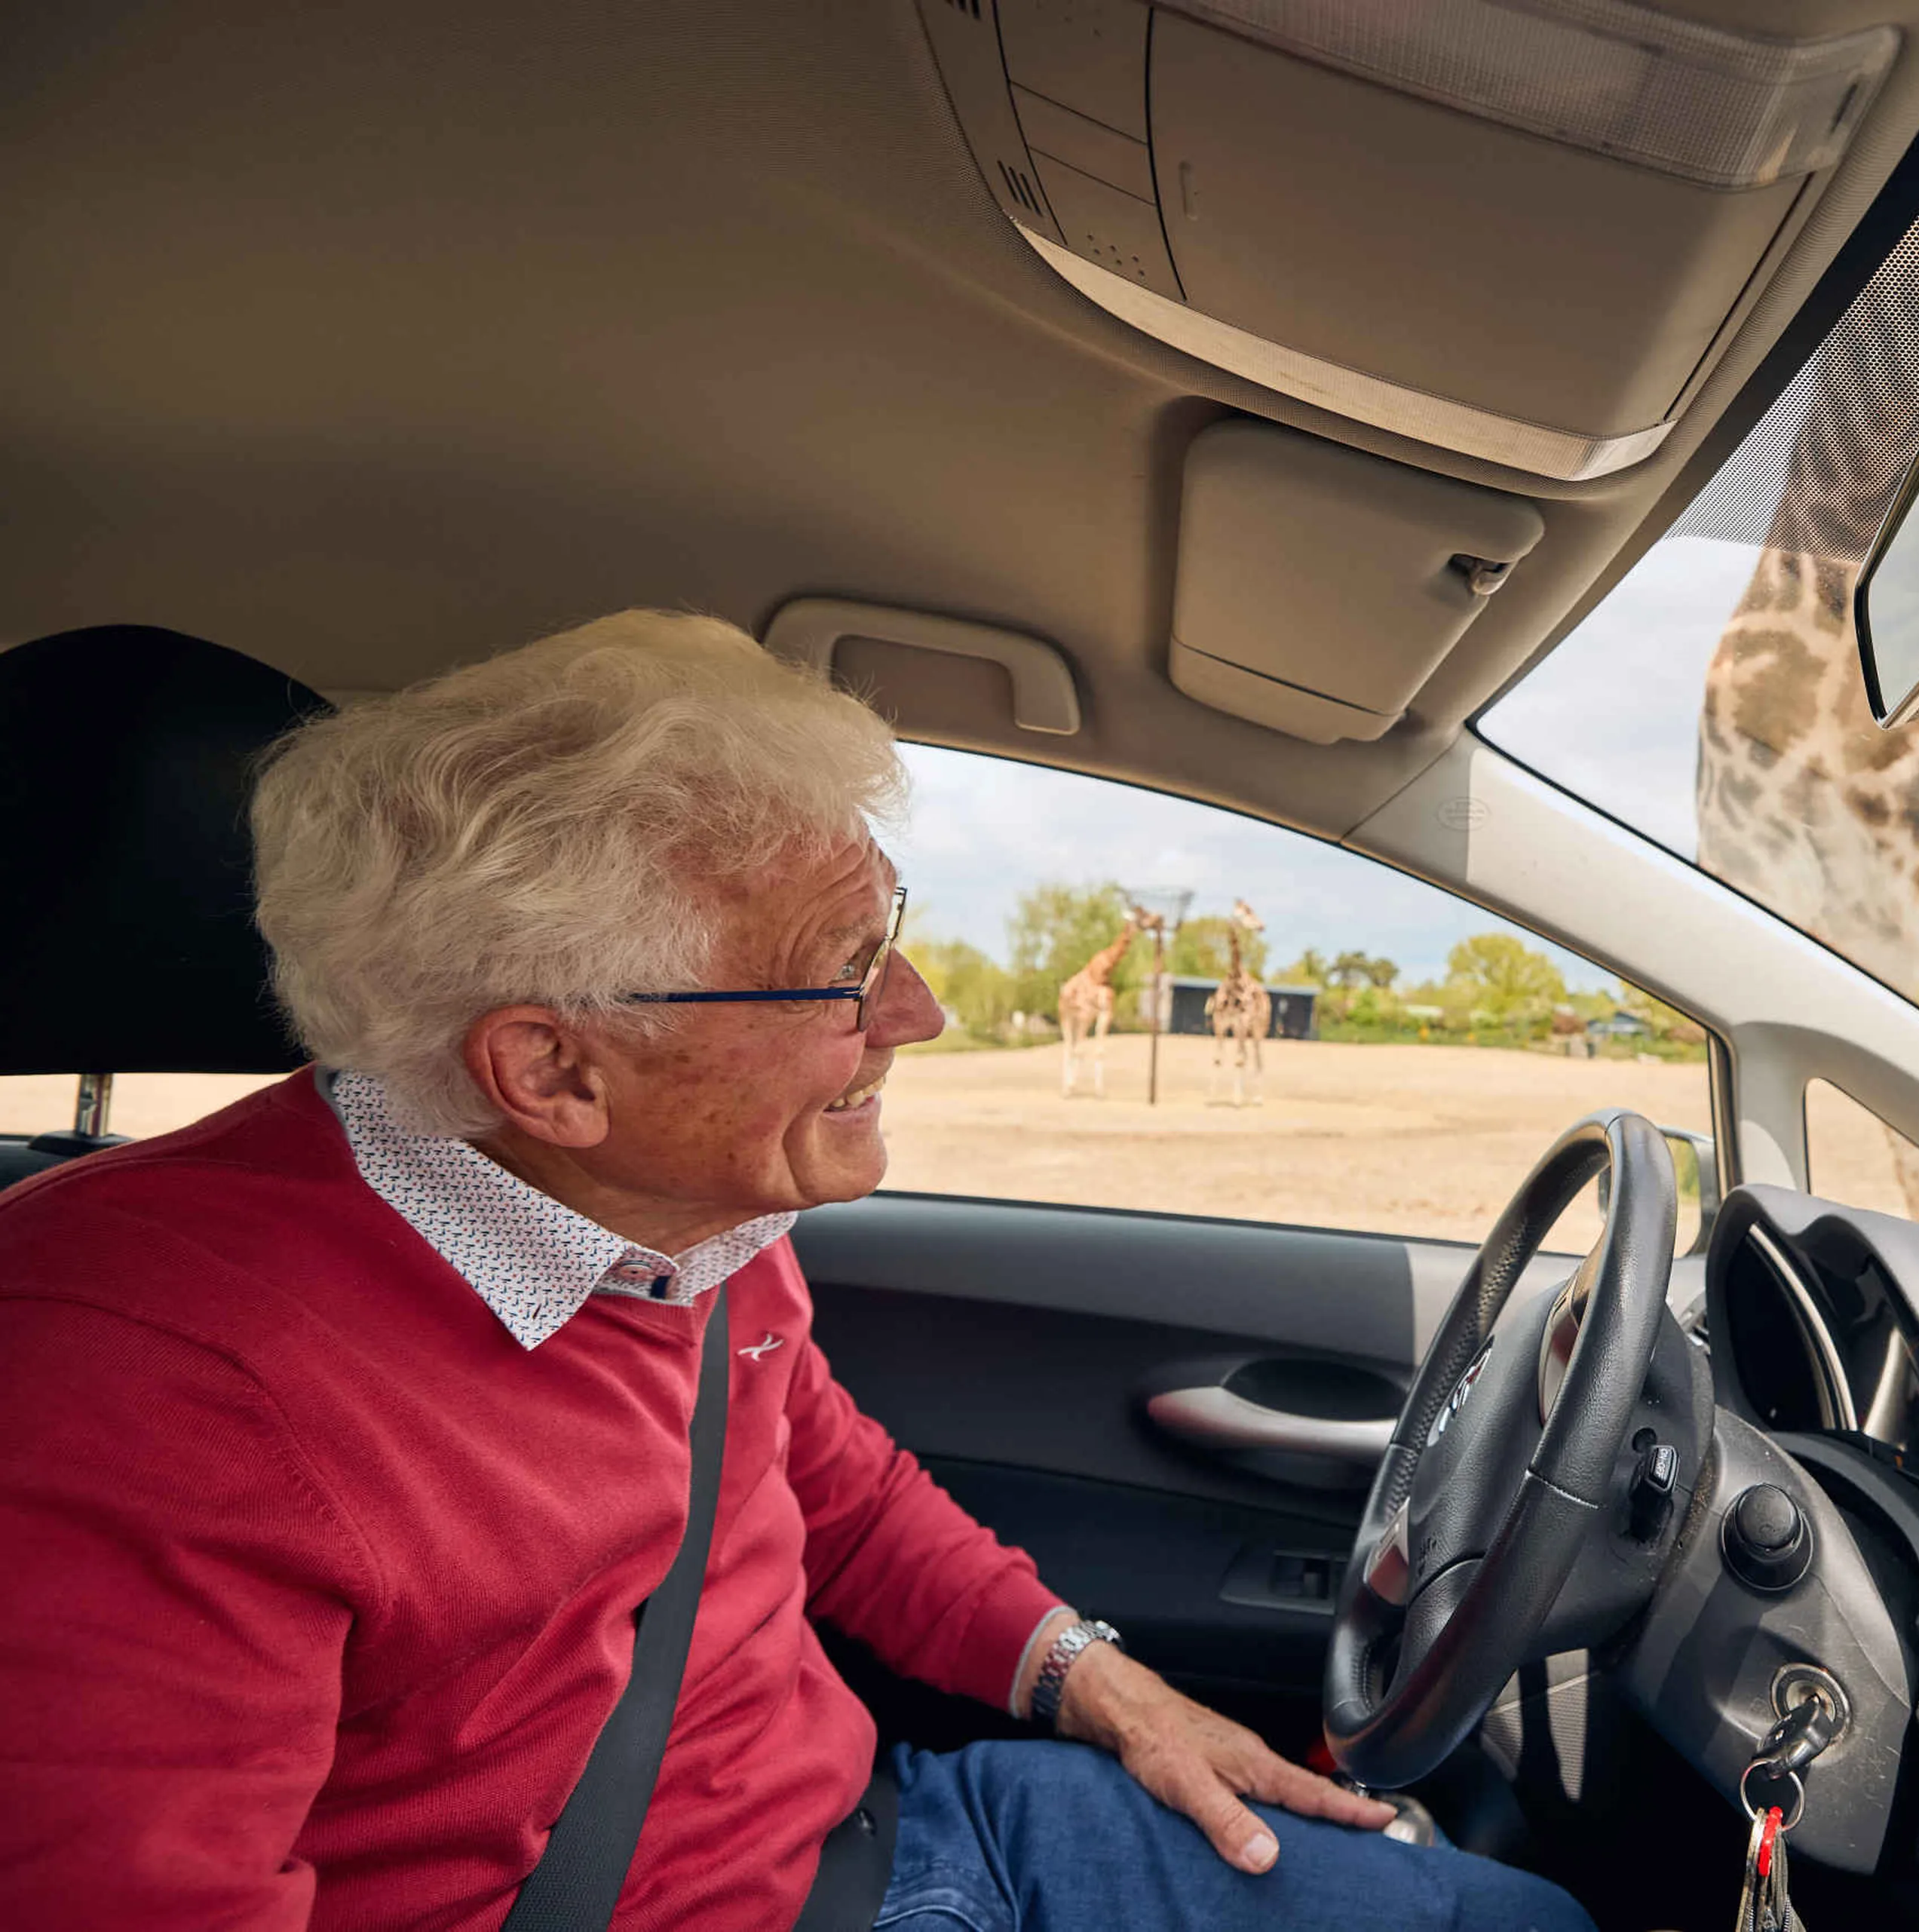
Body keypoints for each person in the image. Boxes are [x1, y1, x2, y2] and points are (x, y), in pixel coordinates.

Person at [0, 612, 1594, 1932]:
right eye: (841, 972)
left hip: (893, 1828)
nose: (918, 1012)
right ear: (552, 1070)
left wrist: (1110, 1689)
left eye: (885, 928)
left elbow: (831, 1487)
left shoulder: (692, 1211)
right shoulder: (139, 1387)